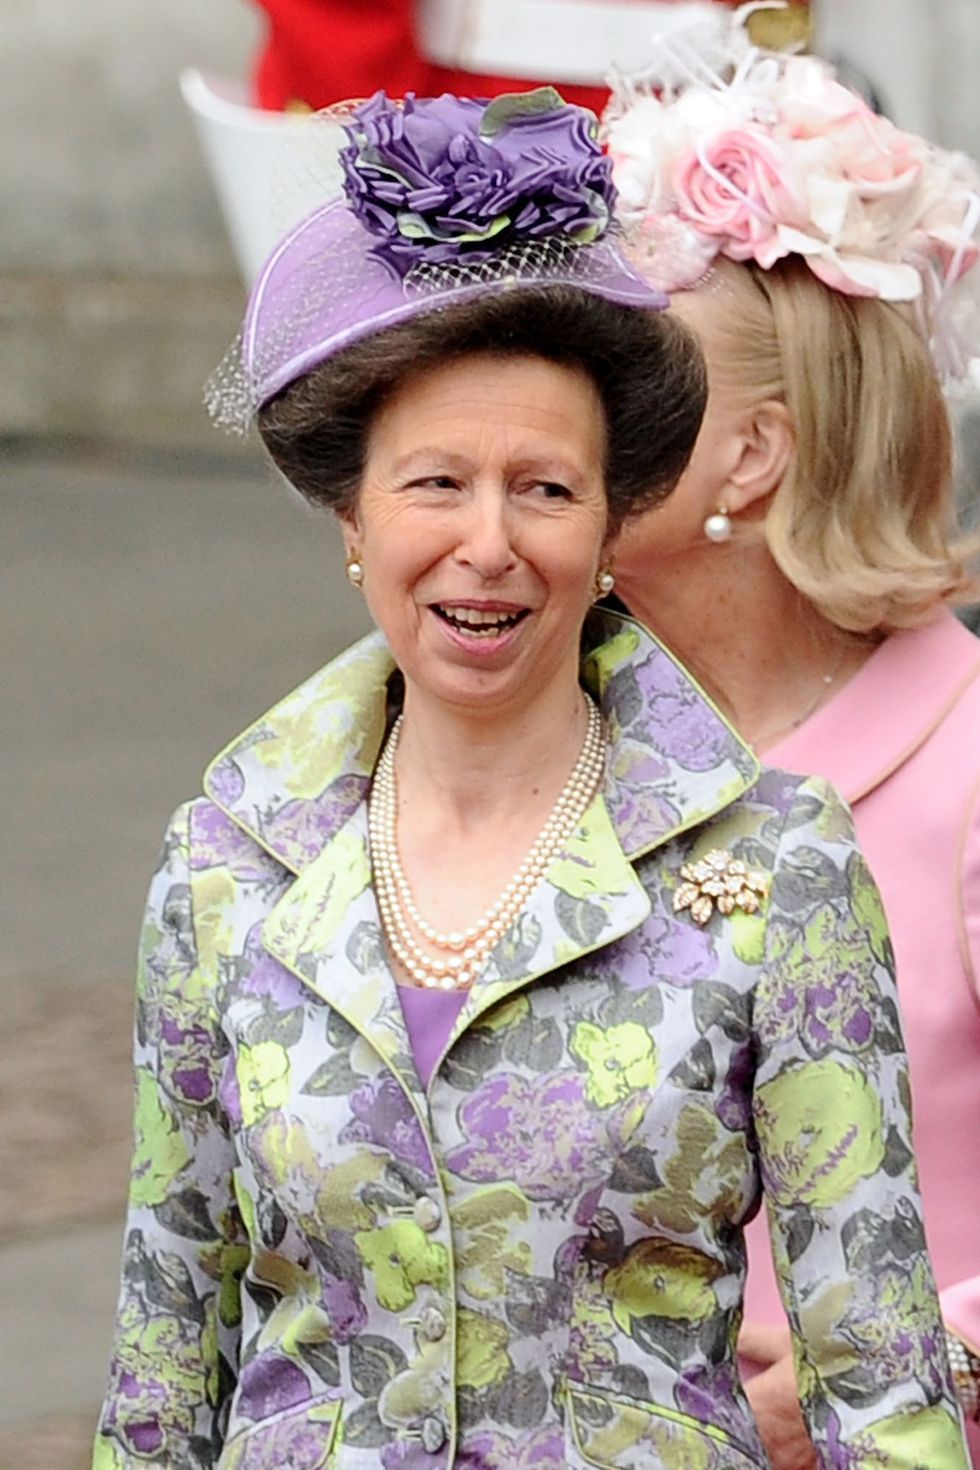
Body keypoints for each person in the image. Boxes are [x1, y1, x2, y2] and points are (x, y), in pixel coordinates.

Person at [93, 89, 967, 1469]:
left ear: (614, 522)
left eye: (546, 489)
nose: (488, 544)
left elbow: (883, 1383)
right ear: (350, 515)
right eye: (435, 482)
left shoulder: (780, 865)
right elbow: (161, 1364)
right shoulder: (225, 864)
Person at [604, 25, 980, 1470]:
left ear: (751, 457)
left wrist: (891, 1371)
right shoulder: (562, 736)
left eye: (619, 383)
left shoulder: (961, 768)